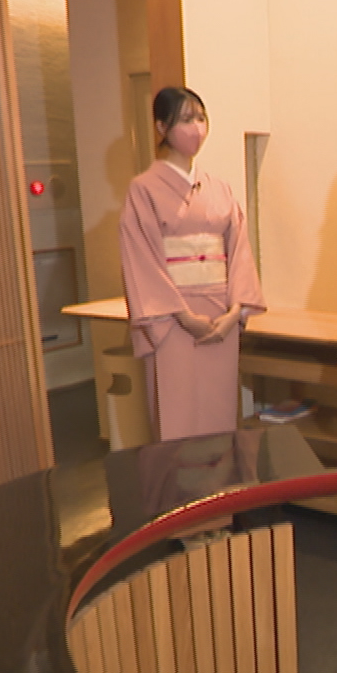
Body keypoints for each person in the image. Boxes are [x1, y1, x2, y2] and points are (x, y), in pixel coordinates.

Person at [119, 87, 266, 441]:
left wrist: (234, 312)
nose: (197, 128)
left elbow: (239, 251)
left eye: (201, 118)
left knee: (219, 415)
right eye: (186, 119)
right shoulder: (143, 189)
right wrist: (184, 318)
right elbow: (141, 260)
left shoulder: (220, 188)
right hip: (171, 320)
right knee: (177, 417)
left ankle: (221, 480)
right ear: (161, 127)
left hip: (220, 316)